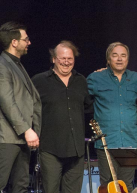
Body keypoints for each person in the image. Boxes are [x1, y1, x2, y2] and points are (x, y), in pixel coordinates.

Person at [31, 40, 93, 193]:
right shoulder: (39, 81)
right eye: (62, 58)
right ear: (54, 59)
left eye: (69, 59)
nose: (66, 62)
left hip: (76, 150)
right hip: (50, 149)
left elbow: (88, 109)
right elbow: (29, 110)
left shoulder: (81, 81)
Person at [87, 42, 137, 192]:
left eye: (123, 55)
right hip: (106, 142)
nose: (119, 59)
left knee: (127, 185)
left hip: (129, 141)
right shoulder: (95, 78)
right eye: (115, 55)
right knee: (107, 185)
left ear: (128, 59)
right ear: (108, 59)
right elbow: (81, 101)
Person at [0, 21, 41, 193]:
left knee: (21, 187)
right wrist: (26, 129)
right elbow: (7, 101)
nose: (29, 42)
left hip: (22, 139)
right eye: (26, 39)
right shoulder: (2, 65)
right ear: (14, 42)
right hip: (7, 138)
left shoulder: (17, 64)